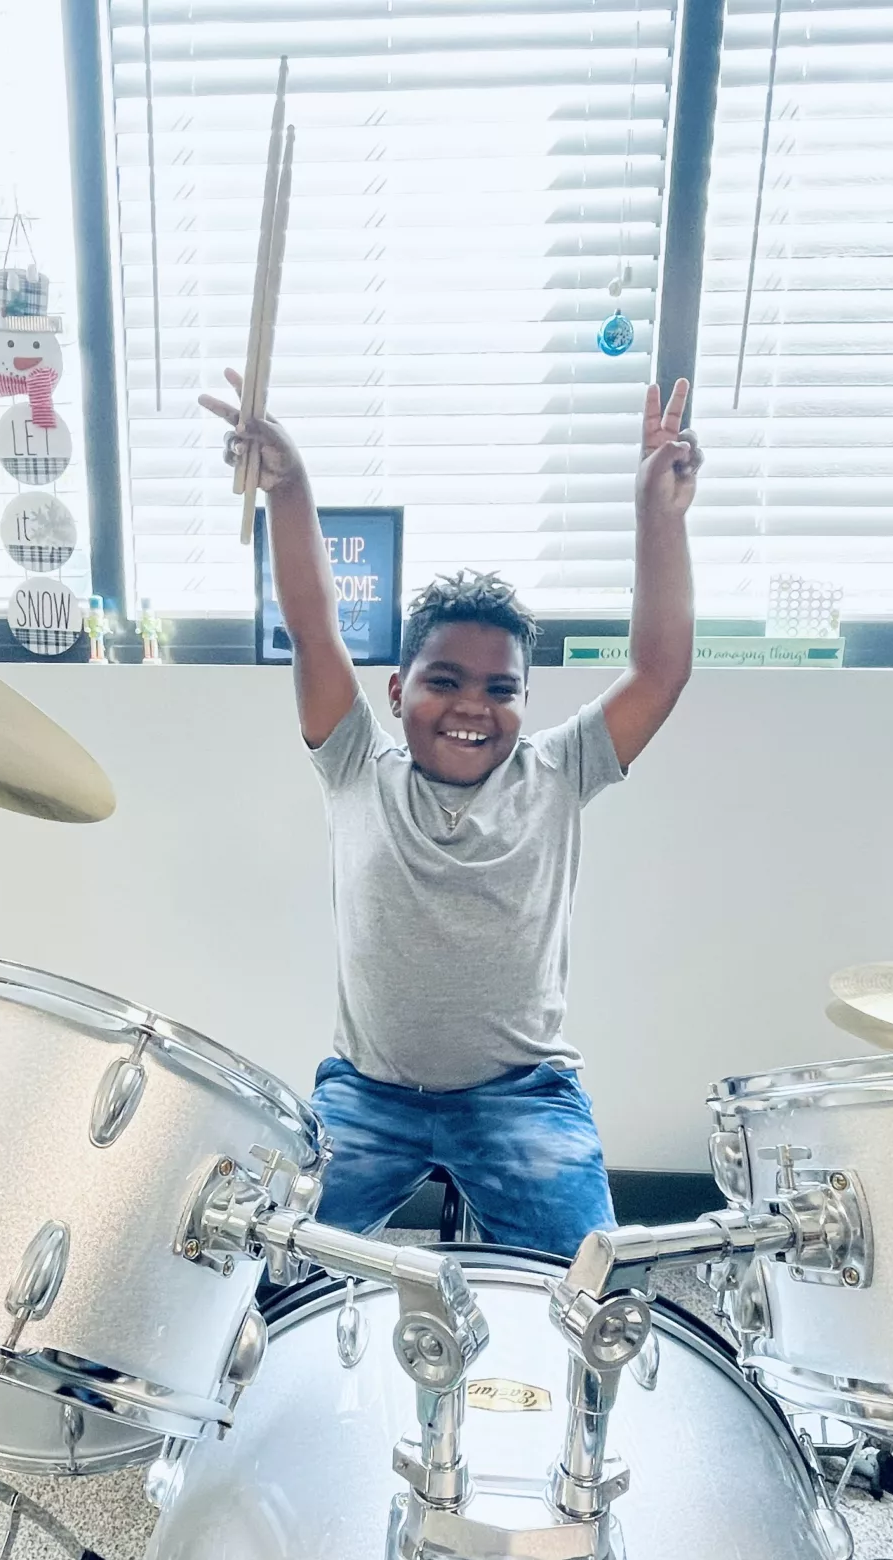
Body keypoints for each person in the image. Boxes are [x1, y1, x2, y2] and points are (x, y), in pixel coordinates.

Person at [200, 370, 701, 1256]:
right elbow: (316, 627)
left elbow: (658, 668)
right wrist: (291, 485)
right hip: (368, 1095)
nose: (473, 706)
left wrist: (657, 515)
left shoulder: (560, 769)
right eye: (444, 681)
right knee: (261, 1262)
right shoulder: (356, 764)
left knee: (589, 1292)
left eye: (500, 689)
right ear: (395, 691)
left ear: (526, 700)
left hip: (520, 1096)